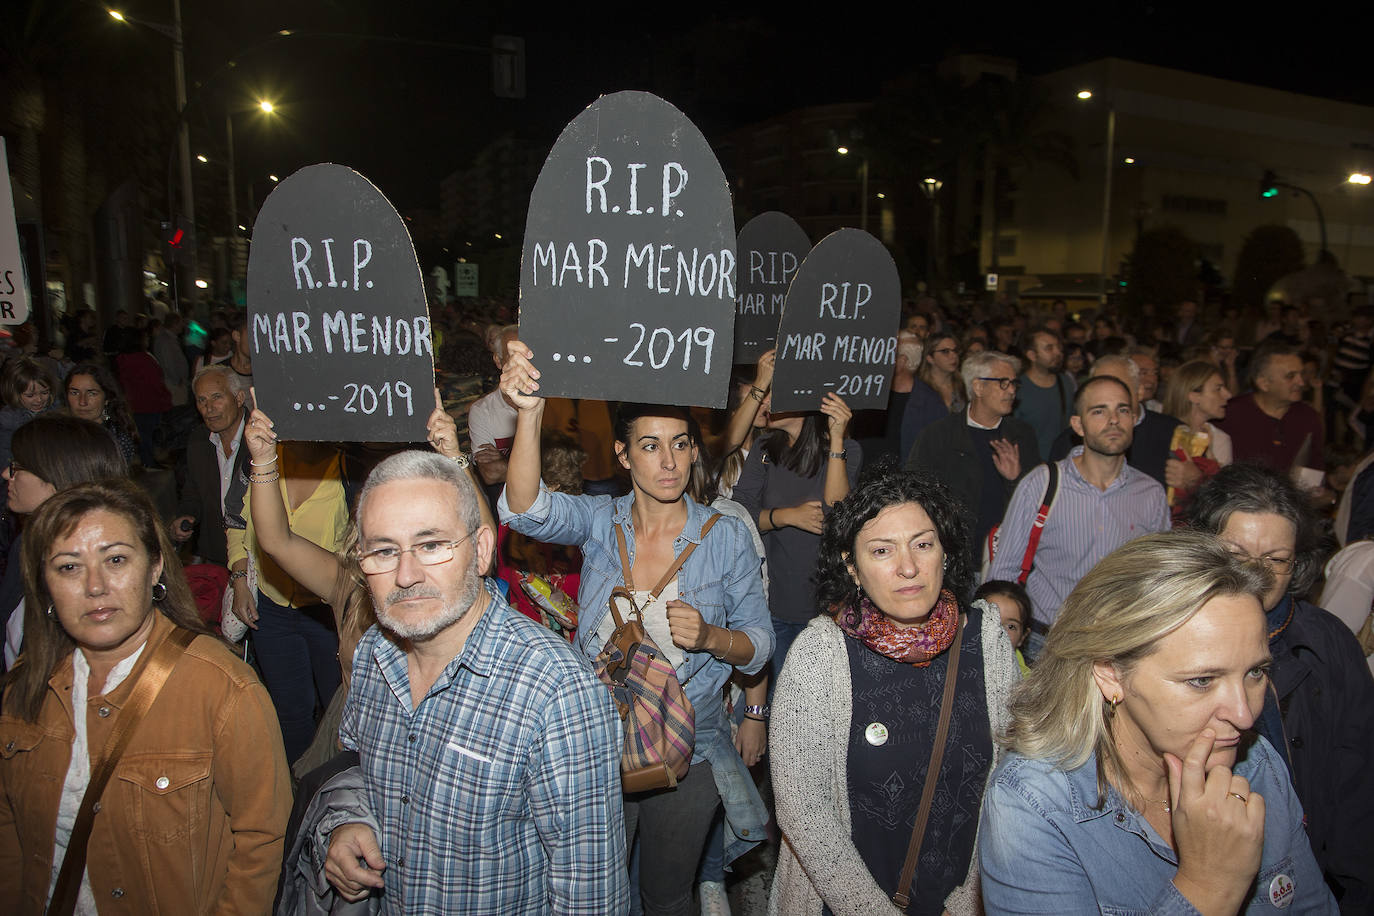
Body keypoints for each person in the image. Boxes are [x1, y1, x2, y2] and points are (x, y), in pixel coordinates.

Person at [248, 427, 628, 914]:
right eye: (384, 550)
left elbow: (589, 897)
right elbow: (362, 772)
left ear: (483, 550)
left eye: (431, 545)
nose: (406, 575)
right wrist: (345, 825)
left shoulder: (556, 694)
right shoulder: (373, 656)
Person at [500, 341, 773, 916]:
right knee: (599, 890)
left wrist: (712, 639)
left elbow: (759, 645)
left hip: (691, 748)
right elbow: (524, 510)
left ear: (696, 451)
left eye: (680, 445)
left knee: (667, 893)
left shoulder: (724, 536)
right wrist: (530, 413)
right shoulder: (601, 522)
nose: (669, 462)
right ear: (623, 455)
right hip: (594, 741)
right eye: (650, 446)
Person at [980, 530, 1337, 914]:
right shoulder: (1034, 805)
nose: (1245, 714)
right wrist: (1209, 886)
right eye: (1202, 680)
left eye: (1254, 672)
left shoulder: (1258, 763)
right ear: (1110, 673)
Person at [0, 478, 291, 914]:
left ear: (155, 566)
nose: (95, 586)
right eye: (68, 567)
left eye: (115, 559)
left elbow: (262, 842)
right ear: (43, 582)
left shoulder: (222, 688)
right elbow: (10, 832)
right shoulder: (24, 688)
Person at [769, 465, 1017, 915]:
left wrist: (967, 901)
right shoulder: (822, 653)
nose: (908, 566)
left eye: (923, 544)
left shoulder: (987, 639)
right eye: (882, 550)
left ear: (945, 552)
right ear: (853, 568)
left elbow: (1009, 783)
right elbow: (803, 811)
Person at [1188, 464, 1374, 911]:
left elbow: (1360, 786)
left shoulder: (1328, 643)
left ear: (1297, 566)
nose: (1257, 572)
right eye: (1237, 553)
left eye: (1276, 559)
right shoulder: (1170, 642)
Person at [989, 376, 1169, 659]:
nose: (1113, 420)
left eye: (1122, 410)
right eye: (1099, 411)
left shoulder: (1151, 494)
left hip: (1119, 646)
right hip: (1045, 646)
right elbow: (1003, 574)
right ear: (1077, 424)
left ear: (1134, 419)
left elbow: (1160, 579)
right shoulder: (1041, 484)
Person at [227, 435, 350, 764]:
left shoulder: (347, 466)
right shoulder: (261, 457)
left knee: (339, 708)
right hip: (272, 609)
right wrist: (240, 579)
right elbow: (237, 523)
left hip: (327, 615)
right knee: (290, 711)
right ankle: (299, 793)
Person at [732, 374, 858, 683]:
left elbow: (837, 512)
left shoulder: (847, 449)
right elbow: (740, 513)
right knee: (778, 699)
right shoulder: (764, 447)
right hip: (772, 600)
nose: (763, 402)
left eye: (772, 394)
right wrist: (786, 516)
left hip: (824, 606)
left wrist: (838, 439)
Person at [0, 416, 127, 669]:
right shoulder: (27, 544)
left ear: (57, 476)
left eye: (18, 466)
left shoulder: (102, 573)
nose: (6, 474)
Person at [907, 350, 1040, 556]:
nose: (1012, 390)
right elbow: (915, 492)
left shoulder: (1022, 435)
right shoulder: (939, 435)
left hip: (1007, 551)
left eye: (1014, 383)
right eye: (1003, 383)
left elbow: (1039, 498)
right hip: (955, 554)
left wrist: (1016, 478)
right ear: (978, 386)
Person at [171, 365, 249, 566]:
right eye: (201, 400)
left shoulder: (261, 441)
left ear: (239, 398)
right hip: (215, 555)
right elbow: (193, 490)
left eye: (217, 397)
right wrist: (186, 515)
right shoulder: (199, 439)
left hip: (255, 554)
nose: (209, 407)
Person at [1218, 345, 1325, 477]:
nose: (1301, 382)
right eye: (1290, 376)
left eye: (1301, 374)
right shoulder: (1230, 414)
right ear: (1264, 384)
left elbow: (1315, 466)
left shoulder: (1308, 417)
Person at [1162, 359, 1233, 520]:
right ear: (1194, 396)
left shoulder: (1220, 439)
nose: (1228, 395)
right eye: (1218, 389)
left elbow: (1224, 500)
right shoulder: (1161, 432)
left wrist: (1197, 479)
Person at [1014, 327, 1075, 460]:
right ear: (1031, 355)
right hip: (1029, 464)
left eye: (1058, 347)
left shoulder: (1065, 382)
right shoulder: (1016, 388)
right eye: (1049, 348)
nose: (1058, 353)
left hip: (1062, 463)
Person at [899, 332, 961, 460]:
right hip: (929, 459)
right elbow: (911, 437)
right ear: (929, 358)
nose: (953, 356)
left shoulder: (962, 388)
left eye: (955, 351)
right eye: (945, 351)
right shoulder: (919, 390)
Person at [63, 364, 137, 465]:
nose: (82, 402)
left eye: (92, 393)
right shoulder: (59, 431)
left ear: (107, 398)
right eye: (74, 393)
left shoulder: (117, 438)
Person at [0, 357, 56, 470]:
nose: (39, 400)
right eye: (30, 395)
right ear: (15, 394)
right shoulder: (8, 420)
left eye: (45, 392)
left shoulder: (58, 412)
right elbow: (5, 460)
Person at [975, 579, 1031, 675]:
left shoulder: (1025, 684)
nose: (999, 631)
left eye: (1011, 626)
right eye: (990, 619)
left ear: (1023, 637)